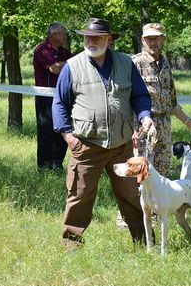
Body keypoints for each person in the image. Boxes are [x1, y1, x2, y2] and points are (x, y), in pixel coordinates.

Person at [52, 18, 154, 250]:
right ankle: (72, 246)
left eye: (98, 37)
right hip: (86, 145)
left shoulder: (126, 63)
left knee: (132, 196)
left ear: (109, 39)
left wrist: (145, 115)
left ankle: (144, 243)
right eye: (88, 36)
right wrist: (68, 136)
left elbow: (139, 96)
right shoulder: (72, 65)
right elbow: (59, 104)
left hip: (122, 146)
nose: (92, 41)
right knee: (79, 196)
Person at [132, 23, 191, 177]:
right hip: (144, 128)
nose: (153, 42)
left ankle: (160, 202)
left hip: (164, 127)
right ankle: (138, 203)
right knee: (142, 174)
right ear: (143, 40)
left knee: (162, 175)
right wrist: (133, 131)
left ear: (163, 39)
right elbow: (126, 100)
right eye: (149, 39)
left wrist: (187, 120)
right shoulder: (135, 63)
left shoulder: (165, 64)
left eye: (156, 38)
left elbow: (170, 101)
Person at [33, 22, 72, 172]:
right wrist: (68, 64)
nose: (65, 36)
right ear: (54, 35)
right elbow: (55, 69)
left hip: (63, 96)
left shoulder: (63, 52)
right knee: (46, 131)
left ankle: (57, 164)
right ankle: (43, 167)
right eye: (63, 33)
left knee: (62, 128)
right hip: (46, 97)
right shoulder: (42, 50)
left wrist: (65, 63)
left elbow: (75, 64)